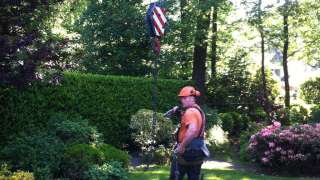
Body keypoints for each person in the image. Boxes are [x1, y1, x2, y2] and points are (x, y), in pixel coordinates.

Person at [167, 86, 208, 180]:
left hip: (187, 151)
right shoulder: (197, 110)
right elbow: (190, 122)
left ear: (191, 98)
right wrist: (178, 112)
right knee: (194, 177)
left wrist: (182, 146)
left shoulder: (190, 112)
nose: (182, 100)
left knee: (175, 176)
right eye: (181, 98)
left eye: (184, 98)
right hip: (198, 150)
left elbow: (192, 130)